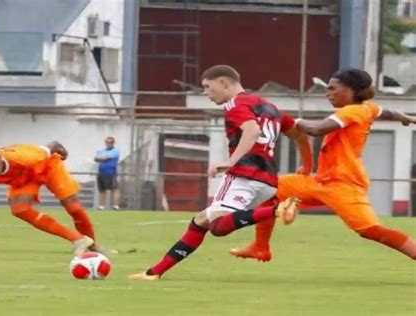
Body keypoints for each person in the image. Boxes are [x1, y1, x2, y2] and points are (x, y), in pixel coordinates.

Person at [128, 65, 313, 281]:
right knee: (201, 222)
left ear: (224, 82)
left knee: (217, 226)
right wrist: (307, 165)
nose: (206, 93)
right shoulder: (271, 108)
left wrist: (231, 161)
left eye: (208, 87)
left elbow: (252, 130)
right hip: (268, 182)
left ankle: (278, 210)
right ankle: (154, 272)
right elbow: (300, 135)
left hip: (243, 176)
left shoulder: (236, 104)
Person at [230, 68, 416, 261]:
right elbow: (388, 112)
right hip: (321, 181)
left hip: (343, 184)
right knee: (270, 191)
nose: (327, 93)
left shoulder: (352, 111)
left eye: (333, 88)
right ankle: (260, 248)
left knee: (371, 231)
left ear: (351, 91)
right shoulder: (367, 108)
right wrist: (407, 119)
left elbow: (316, 129)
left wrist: (289, 121)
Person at [0, 142, 99, 255]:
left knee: (73, 208)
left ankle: (94, 249)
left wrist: (63, 153)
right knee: (19, 209)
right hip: (24, 179)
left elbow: (53, 146)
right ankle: (78, 239)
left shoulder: (25, 157)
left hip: (48, 168)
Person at [94, 136, 120, 210]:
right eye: (107, 142)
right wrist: (100, 158)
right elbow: (96, 158)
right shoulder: (101, 150)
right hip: (101, 172)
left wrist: (101, 158)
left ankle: (116, 206)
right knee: (102, 189)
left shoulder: (115, 151)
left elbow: (104, 158)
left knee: (115, 189)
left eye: (110, 142)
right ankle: (101, 206)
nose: (108, 143)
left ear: (113, 143)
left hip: (111, 172)